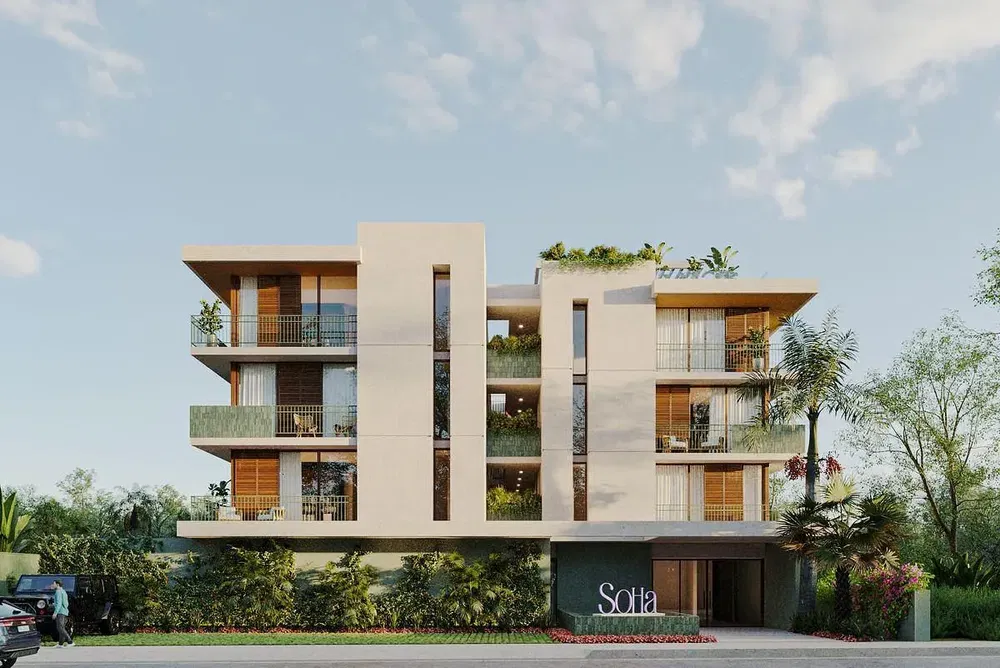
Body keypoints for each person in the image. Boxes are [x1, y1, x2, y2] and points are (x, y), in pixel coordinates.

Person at [52, 579, 74, 647]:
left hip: (60, 612)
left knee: (60, 628)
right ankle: (60, 644)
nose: (53, 585)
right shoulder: (63, 591)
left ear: (57, 584)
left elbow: (59, 603)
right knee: (62, 628)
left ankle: (70, 642)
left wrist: (55, 613)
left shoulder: (58, 592)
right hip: (64, 611)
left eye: (54, 584)